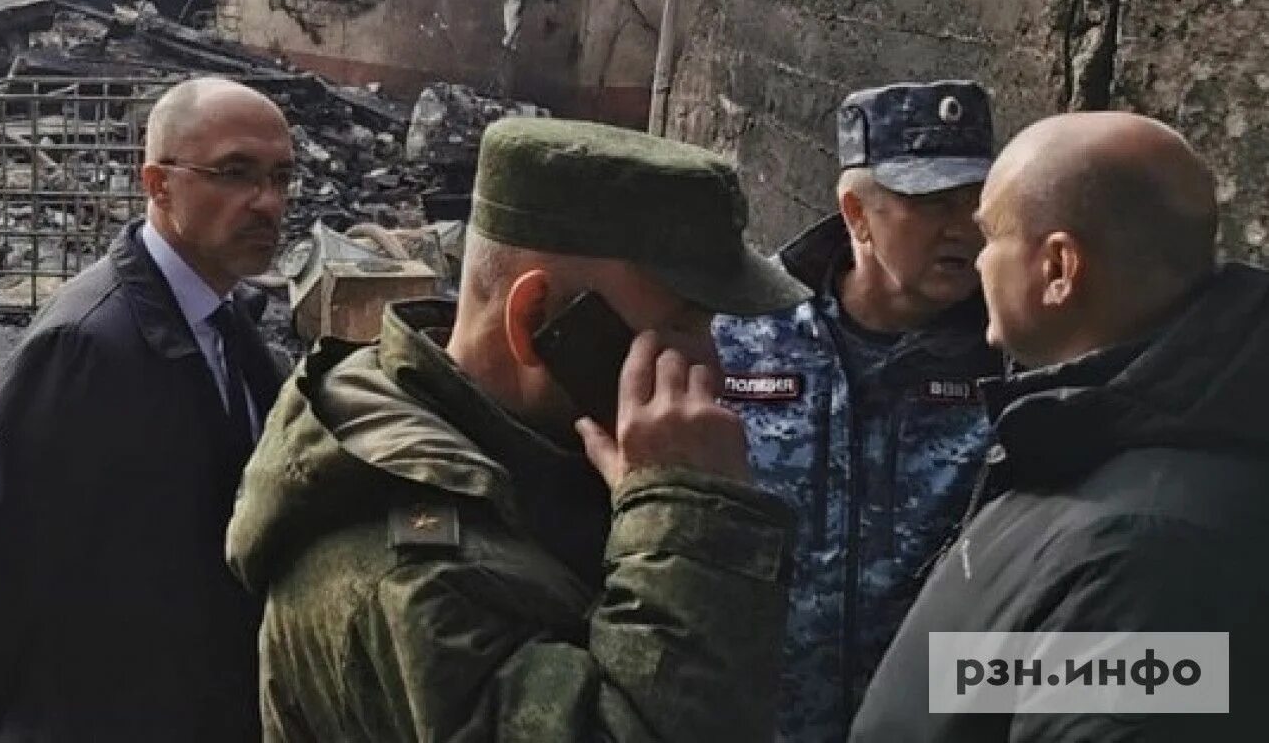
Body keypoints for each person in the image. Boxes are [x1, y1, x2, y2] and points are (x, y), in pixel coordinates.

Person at [229, 117, 810, 743]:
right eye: (677, 330)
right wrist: (689, 524)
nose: (711, 370)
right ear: (533, 319)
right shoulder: (408, 586)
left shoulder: (538, 453)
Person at [853, 112, 1269, 741]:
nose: (978, 259)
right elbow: (1018, 674)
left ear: (1058, 269)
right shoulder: (1089, 437)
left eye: (991, 235)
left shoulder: (1150, 547)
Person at [0, 76, 291, 743]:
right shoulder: (87, 347)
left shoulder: (229, 324)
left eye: (280, 177)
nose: (266, 203)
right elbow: (0, 568)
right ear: (158, 185)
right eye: (236, 174)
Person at [715, 81, 1002, 742]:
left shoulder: (1013, 361)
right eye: (930, 201)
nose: (963, 226)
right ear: (856, 213)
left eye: (976, 201)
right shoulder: (743, 337)